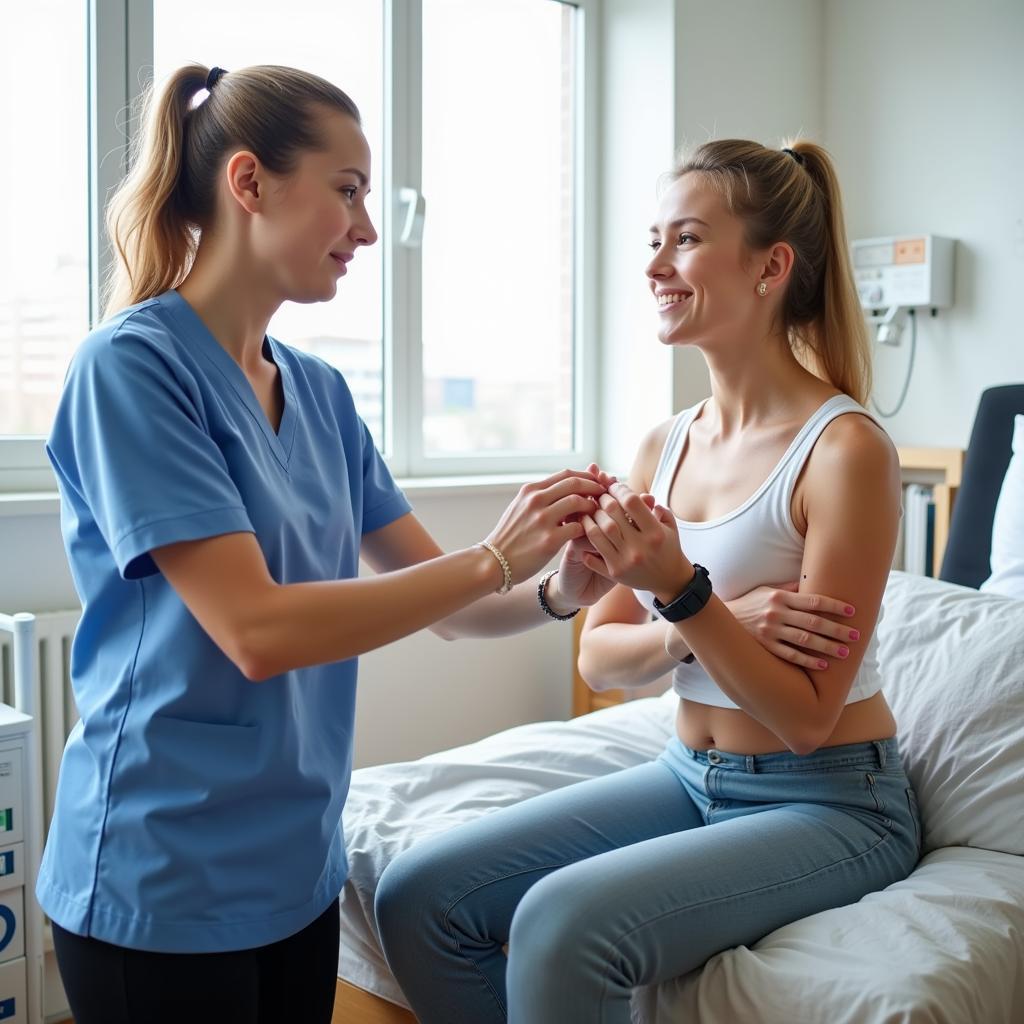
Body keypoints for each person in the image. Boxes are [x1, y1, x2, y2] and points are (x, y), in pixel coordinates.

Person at [38, 63, 620, 1024]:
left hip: (296, 866)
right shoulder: (131, 369)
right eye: (346, 190)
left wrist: (565, 583)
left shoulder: (321, 393)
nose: (367, 227)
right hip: (162, 875)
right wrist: (494, 556)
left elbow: (457, 606)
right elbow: (256, 630)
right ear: (248, 182)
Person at [374, 139, 921, 1024]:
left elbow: (806, 716)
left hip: (832, 801)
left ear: (770, 267)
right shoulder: (662, 446)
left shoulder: (845, 450)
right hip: (689, 771)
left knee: (560, 923)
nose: (655, 266)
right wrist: (687, 621)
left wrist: (685, 590)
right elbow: (601, 658)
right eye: (653, 239)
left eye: (687, 241)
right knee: (419, 895)